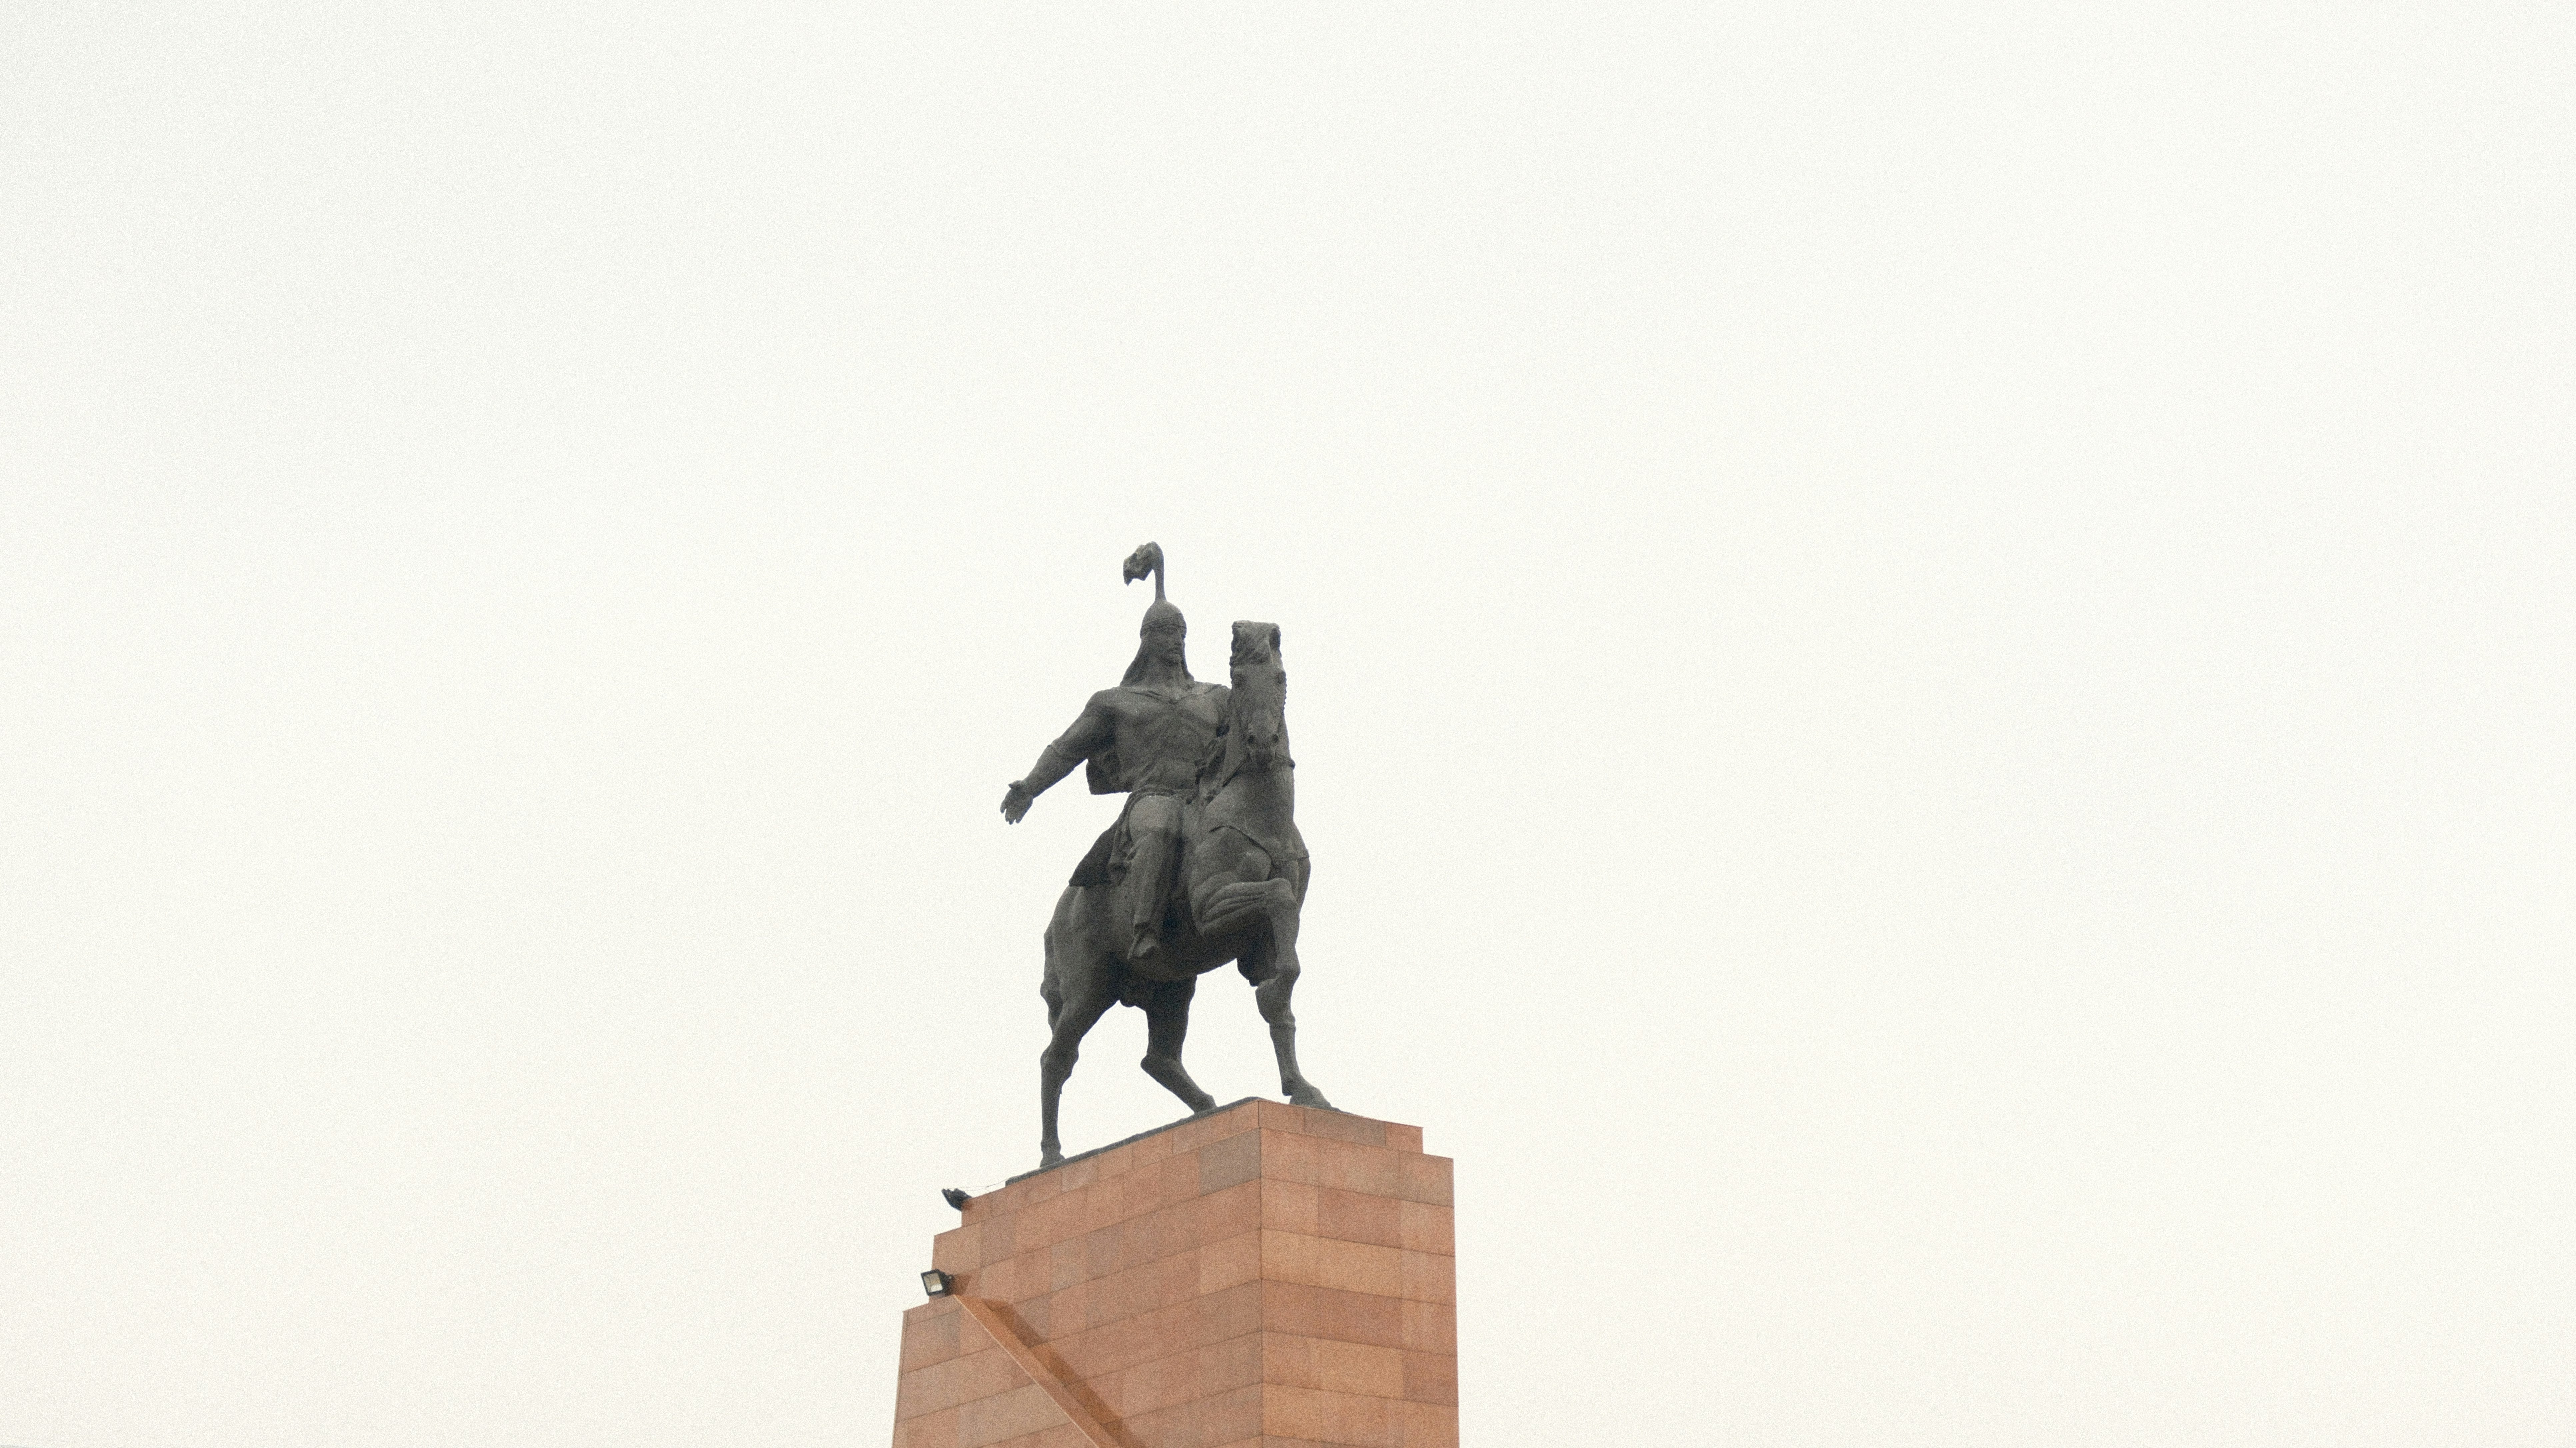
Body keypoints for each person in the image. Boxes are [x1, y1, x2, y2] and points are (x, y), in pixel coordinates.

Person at [1001, 588, 1228, 962]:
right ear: (1148, 640)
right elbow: (1066, 749)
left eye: (1182, 633)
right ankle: (1145, 928)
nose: (1177, 641)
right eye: (1169, 633)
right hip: (1152, 798)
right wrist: (1030, 787)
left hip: (1204, 798)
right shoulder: (1115, 703)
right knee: (1161, 830)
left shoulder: (1215, 698)